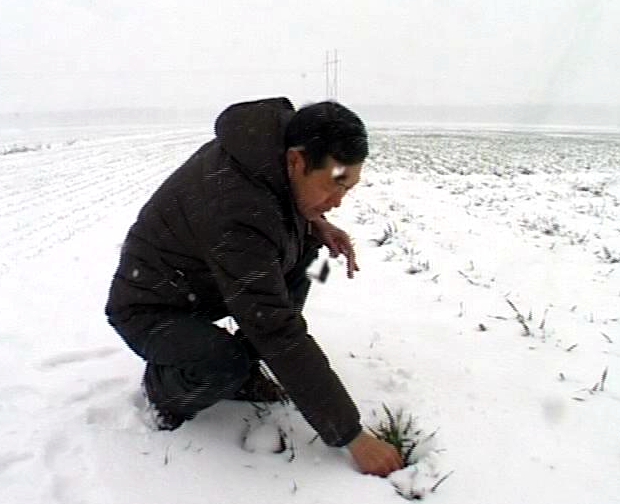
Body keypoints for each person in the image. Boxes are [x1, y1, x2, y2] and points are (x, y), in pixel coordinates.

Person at [105, 97, 403, 477]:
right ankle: (164, 391)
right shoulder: (238, 206)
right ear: (296, 161)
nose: (339, 202)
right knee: (224, 363)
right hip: (149, 307)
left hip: (200, 286)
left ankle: (242, 367)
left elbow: (282, 204)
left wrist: (318, 224)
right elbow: (277, 329)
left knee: (305, 260)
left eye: (349, 188)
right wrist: (351, 436)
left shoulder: (267, 155)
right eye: (335, 185)